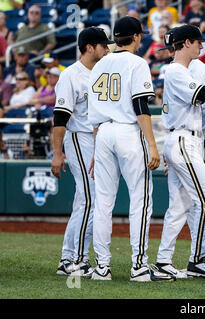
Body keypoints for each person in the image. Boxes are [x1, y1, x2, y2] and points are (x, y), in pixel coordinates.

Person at [88, 16, 172, 282]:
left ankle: (102, 267)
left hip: (102, 133)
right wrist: (152, 144)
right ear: (136, 37)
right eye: (140, 35)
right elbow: (140, 106)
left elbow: (94, 112)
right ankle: (139, 267)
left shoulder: (99, 64)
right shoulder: (137, 62)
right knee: (140, 200)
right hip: (127, 132)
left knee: (103, 202)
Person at [155, 27, 205, 279]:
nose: (202, 46)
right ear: (186, 43)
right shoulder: (176, 71)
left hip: (182, 140)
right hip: (184, 140)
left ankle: (164, 260)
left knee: (179, 205)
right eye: (198, 42)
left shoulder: (180, 71)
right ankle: (197, 262)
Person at [52, 27, 113, 278]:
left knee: (87, 199)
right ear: (89, 47)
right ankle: (74, 259)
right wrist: (57, 153)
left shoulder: (102, 71)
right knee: (89, 198)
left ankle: (69, 257)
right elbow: (59, 117)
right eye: (103, 45)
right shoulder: (71, 75)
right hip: (78, 137)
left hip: (98, 139)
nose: (107, 49)